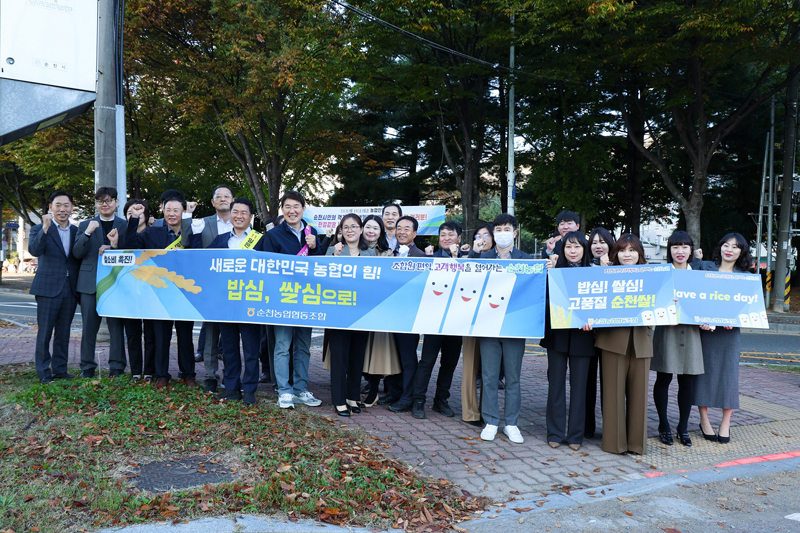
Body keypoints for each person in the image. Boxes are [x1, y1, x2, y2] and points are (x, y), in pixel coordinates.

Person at [126, 196, 201, 389]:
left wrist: (190, 220)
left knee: (185, 336)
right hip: (159, 293)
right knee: (161, 336)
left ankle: (188, 374)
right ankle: (161, 374)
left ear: (183, 212)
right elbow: (132, 246)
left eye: (177, 210)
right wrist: (134, 219)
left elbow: (201, 255)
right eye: (168, 210)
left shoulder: (191, 231)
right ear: (163, 211)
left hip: (184, 293)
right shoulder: (153, 233)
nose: (172, 214)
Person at [593, 234, 654, 455]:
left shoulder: (654, 277)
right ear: (615, 254)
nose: (627, 255)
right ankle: (613, 443)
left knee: (639, 396)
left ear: (640, 254)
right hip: (612, 340)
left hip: (641, 341)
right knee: (612, 395)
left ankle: (637, 444)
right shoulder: (604, 276)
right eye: (622, 250)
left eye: (632, 250)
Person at [264, 191, 323, 409]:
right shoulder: (273, 235)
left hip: (306, 298)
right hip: (283, 298)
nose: (292, 210)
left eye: (296, 206)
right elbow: (267, 267)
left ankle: (300, 389)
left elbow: (320, 266)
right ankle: (284, 390)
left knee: (303, 346)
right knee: (282, 345)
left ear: (303, 209)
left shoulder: (312, 232)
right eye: (287, 206)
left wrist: (316, 247)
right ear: (282, 210)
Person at [204, 198, 266, 405]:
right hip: (226, 303)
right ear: (230, 214)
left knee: (250, 349)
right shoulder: (221, 240)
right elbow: (201, 261)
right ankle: (231, 387)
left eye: (244, 212)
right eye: (235, 212)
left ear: (251, 217)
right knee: (229, 348)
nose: (239, 216)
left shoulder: (261, 240)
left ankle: (249, 389)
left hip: (251, 302)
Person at [477, 213, 532, 444]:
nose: (502, 233)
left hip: (514, 327)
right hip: (488, 325)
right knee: (489, 376)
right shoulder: (482, 258)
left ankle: (511, 423)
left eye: (506, 228)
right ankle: (490, 421)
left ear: (515, 233)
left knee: (513, 378)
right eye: (497, 229)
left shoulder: (527, 260)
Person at [693, 233, 752, 444]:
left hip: (729, 333)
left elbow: (748, 305)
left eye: (735, 247)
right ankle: (704, 419)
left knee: (729, 376)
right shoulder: (704, 269)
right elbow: (693, 296)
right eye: (725, 245)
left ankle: (726, 422)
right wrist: (700, 318)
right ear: (720, 248)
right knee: (704, 374)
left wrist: (734, 319)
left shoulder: (745, 276)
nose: (729, 250)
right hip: (705, 331)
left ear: (741, 252)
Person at [541, 231, 595, 451]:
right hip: (558, 335)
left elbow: (601, 304)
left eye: (578, 247)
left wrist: (593, 320)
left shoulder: (594, 274)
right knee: (556, 384)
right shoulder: (553, 272)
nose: (573, 251)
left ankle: (575, 435)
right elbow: (543, 300)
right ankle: (554, 431)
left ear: (584, 249)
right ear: (562, 250)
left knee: (580, 387)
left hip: (583, 336)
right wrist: (549, 275)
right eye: (568, 247)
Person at [652, 231, 706, 447]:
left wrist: (708, 319)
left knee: (688, 381)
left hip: (692, 332)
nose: (680, 251)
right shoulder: (662, 274)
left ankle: (683, 428)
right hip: (667, 330)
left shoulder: (700, 273)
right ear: (669, 250)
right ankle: (663, 425)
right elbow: (652, 301)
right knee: (663, 378)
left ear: (691, 250)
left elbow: (710, 300)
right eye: (675, 247)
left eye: (684, 247)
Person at [181, 185, 234, 392]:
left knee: (231, 334)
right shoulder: (202, 223)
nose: (222, 199)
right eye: (218, 197)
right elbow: (186, 242)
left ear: (232, 200)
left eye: (226, 196)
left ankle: (230, 374)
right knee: (211, 333)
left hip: (235, 287)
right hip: (211, 286)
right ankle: (211, 375)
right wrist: (187, 215)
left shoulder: (243, 222)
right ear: (212, 202)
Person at [412, 221, 465, 420]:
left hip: (457, 320)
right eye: (442, 234)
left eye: (450, 234)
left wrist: (456, 258)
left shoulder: (468, 260)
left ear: (459, 238)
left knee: (449, 363)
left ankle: (440, 400)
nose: (446, 238)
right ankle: (418, 400)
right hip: (434, 319)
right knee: (427, 362)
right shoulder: (430, 260)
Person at [73, 187, 128, 378]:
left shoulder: (124, 225)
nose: (104, 204)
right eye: (100, 201)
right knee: (89, 327)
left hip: (115, 284)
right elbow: (77, 253)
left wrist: (114, 247)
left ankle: (117, 367)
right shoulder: (85, 225)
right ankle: (87, 367)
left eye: (108, 200)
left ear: (116, 203)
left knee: (116, 327)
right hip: (89, 283)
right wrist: (87, 233)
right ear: (96, 204)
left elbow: (130, 254)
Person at [324, 214, 376, 416]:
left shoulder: (370, 253)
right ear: (341, 231)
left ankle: (352, 396)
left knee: (357, 357)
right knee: (339, 357)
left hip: (362, 313)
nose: (350, 230)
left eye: (354, 226)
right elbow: (323, 279)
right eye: (346, 227)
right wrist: (335, 257)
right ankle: (338, 400)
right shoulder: (332, 251)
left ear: (361, 230)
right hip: (338, 312)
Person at [29, 191, 80, 384]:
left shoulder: (77, 231)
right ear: (50, 207)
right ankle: (43, 372)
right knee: (45, 332)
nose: (62, 209)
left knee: (64, 332)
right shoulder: (39, 229)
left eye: (66, 205)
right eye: (58, 205)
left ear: (72, 208)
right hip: (47, 288)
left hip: (70, 288)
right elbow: (34, 250)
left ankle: (60, 370)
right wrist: (45, 228)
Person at [380, 215, 426, 412]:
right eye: (399, 228)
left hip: (409, 317)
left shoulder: (421, 257)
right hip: (390, 315)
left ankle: (408, 397)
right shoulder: (388, 254)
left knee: (408, 359)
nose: (402, 231)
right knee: (393, 355)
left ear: (414, 233)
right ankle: (393, 391)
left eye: (407, 228)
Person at [360, 215, 401, 406]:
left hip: (377, 310)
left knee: (375, 353)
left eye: (375, 228)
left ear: (381, 231)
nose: (371, 231)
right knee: (358, 352)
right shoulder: (352, 248)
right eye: (368, 227)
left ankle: (374, 391)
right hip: (355, 308)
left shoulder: (387, 253)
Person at [460, 222, 495, 427]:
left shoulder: (502, 258)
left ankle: (488, 411)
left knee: (490, 370)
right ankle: (470, 412)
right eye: (477, 235)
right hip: (472, 319)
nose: (481, 239)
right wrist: (473, 253)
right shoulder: (470, 257)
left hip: (495, 319)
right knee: (470, 366)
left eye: (486, 235)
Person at [584, 227, 616, 438]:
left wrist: (609, 271)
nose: (598, 246)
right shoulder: (583, 267)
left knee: (610, 382)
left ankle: (611, 428)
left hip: (610, 336)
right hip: (586, 334)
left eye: (602, 242)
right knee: (587, 382)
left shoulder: (620, 267)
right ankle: (587, 427)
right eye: (594, 242)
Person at [121, 199, 157, 382]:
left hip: (151, 290)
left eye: (139, 212)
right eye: (129, 213)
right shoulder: (122, 233)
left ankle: (149, 371)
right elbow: (127, 246)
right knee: (133, 334)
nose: (134, 216)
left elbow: (137, 245)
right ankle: (136, 371)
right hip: (129, 291)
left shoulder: (154, 233)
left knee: (151, 334)